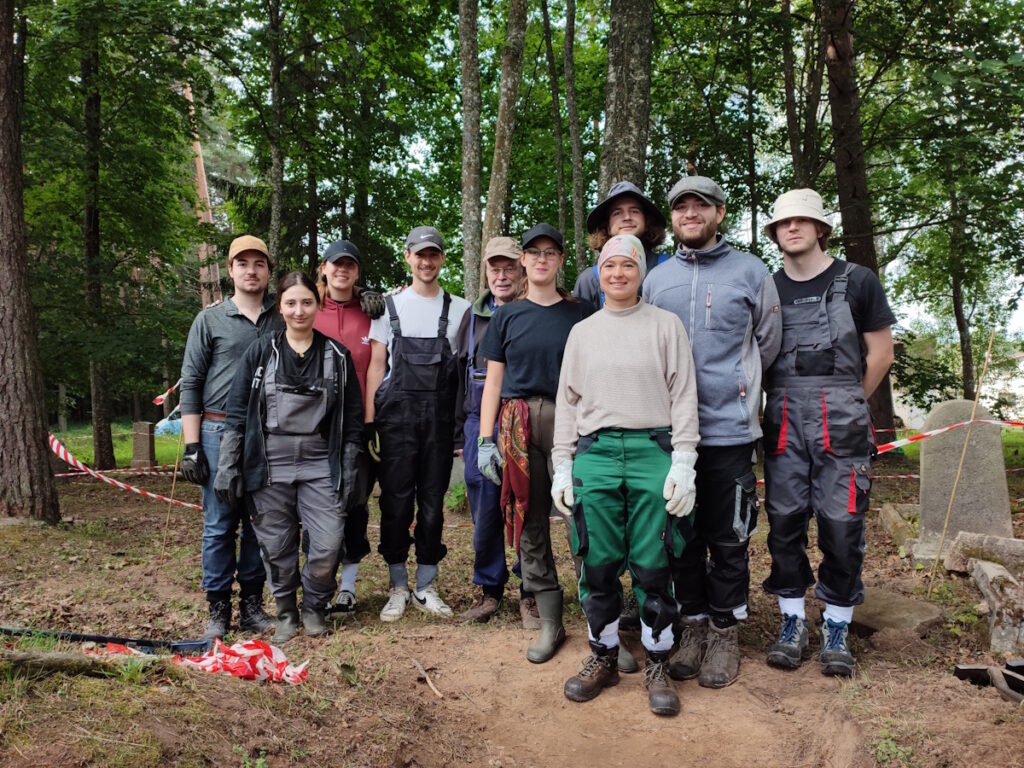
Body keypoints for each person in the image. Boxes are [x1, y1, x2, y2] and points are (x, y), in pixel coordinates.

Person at [643, 176, 782, 688]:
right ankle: (694, 624)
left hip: (729, 432)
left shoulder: (751, 271)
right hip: (671, 433)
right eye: (681, 207)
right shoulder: (656, 279)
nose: (690, 213)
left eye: (700, 205)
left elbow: (768, 343)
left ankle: (726, 630)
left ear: (720, 212)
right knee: (681, 536)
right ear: (673, 218)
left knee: (728, 537)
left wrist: (740, 388)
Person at [552, 234, 700, 716]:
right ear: (598, 272)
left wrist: (683, 460)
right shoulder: (583, 331)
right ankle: (603, 655)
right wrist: (562, 464)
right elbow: (567, 403)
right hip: (594, 452)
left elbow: (683, 396)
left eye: (627, 265)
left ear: (641, 271)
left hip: (651, 447)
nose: (617, 273)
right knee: (596, 559)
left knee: (654, 559)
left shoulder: (666, 325)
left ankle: (657, 658)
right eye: (609, 265)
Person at [760, 189, 895, 677]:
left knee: (843, 527)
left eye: (802, 221)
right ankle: (792, 622)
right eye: (783, 223)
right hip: (782, 420)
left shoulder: (858, 281)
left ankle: (837, 625)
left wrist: (850, 398)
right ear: (775, 234)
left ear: (821, 229)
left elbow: (881, 352)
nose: (792, 228)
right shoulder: (766, 288)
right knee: (785, 523)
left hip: (843, 416)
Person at [216, 271, 363, 644]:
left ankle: (315, 607)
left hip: (320, 463)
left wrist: (349, 471)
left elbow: (352, 422)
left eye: (307, 302)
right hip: (269, 463)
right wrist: (228, 466)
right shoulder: (261, 352)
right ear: (279, 307)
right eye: (291, 303)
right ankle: (286, 612)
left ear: (317, 304)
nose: (299, 310)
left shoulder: (338, 356)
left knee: (329, 542)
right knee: (277, 545)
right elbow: (236, 412)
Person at [477, 223, 591, 664]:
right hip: (519, 423)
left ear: (561, 260)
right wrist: (487, 438)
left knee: (581, 519)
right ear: (523, 260)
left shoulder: (581, 313)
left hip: (573, 422)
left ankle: (599, 618)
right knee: (530, 519)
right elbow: (493, 382)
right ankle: (549, 621)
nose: (541, 259)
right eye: (533, 253)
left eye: (550, 252)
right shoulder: (506, 315)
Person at [365, 226, 471, 622]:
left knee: (431, 506)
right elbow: (377, 366)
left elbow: (463, 371)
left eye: (434, 254)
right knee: (394, 505)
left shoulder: (459, 309)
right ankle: (397, 586)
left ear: (443, 259)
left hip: (439, 424)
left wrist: (461, 427)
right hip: (395, 423)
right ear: (407, 256)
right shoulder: (387, 307)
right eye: (419, 254)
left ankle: (426, 584)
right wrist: (371, 422)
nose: (427, 262)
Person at [179, 235, 280, 641]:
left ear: (269, 271)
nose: (251, 270)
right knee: (220, 524)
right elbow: (191, 383)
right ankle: (218, 608)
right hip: (218, 431)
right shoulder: (210, 320)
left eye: (259, 263)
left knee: (259, 522)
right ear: (231, 270)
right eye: (243, 263)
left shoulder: (283, 315)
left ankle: (252, 605)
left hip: (269, 433)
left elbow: (328, 294)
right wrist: (191, 446)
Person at [454, 236, 529, 624]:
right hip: (477, 418)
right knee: (484, 500)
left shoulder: (536, 309)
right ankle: (489, 588)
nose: (502, 276)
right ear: (485, 271)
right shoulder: (474, 316)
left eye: (509, 268)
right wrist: (460, 434)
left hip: (523, 414)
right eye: (494, 268)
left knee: (525, 502)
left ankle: (530, 588)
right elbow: (458, 373)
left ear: (523, 269)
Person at [312, 239, 385, 615]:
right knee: (315, 506)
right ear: (323, 268)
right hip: (313, 427)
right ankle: (317, 585)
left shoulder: (373, 310)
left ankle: (348, 587)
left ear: (357, 271)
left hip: (358, 426)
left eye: (350, 265)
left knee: (355, 505)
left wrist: (371, 422)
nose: (342, 270)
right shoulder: (308, 308)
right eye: (335, 264)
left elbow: (378, 364)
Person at [572, 180, 669, 311]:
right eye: (617, 213)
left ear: (647, 221)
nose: (627, 217)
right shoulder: (590, 280)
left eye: (634, 211)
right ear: (607, 226)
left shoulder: (668, 268)